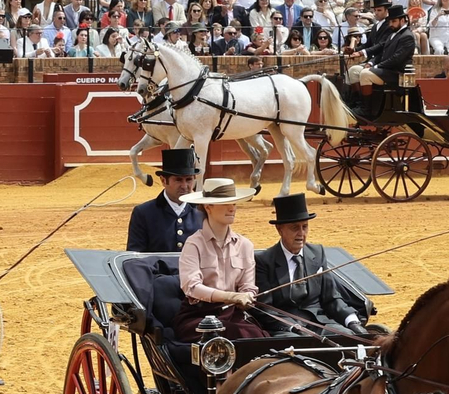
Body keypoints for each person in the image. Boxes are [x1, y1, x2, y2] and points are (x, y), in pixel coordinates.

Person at [253, 193, 365, 336]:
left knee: (347, 337)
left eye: (305, 227)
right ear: (280, 229)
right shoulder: (264, 261)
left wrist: (353, 322)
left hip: (319, 324)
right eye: (295, 228)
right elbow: (264, 308)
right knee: (294, 345)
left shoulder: (317, 253)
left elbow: (332, 298)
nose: (301, 233)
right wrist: (292, 327)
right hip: (288, 330)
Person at [173, 177, 269, 343]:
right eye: (225, 203)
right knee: (236, 333)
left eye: (234, 203)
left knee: (257, 338)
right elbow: (192, 287)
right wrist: (230, 296)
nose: (232, 208)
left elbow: (248, 286)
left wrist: (247, 295)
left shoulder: (245, 245)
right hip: (198, 317)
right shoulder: (193, 244)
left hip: (234, 315)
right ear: (208, 206)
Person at [125, 146, 202, 253]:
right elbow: (135, 257)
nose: (184, 186)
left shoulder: (203, 211)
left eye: (188, 179)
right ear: (163, 180)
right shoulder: (143, 213)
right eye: (178, 180)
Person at [347, 2, 413, 85]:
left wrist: (376, 66)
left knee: (365, 74)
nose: (391, 24)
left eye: (394, 21)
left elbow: (396, 59)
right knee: (353, 71)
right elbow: (383, 54)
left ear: (402, 20)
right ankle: (355, 97)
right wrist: (372, 62)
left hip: (396, 73)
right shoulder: (393, 34)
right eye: (390, 22)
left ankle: (368, 98)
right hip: (385, 69)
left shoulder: (407, 36)